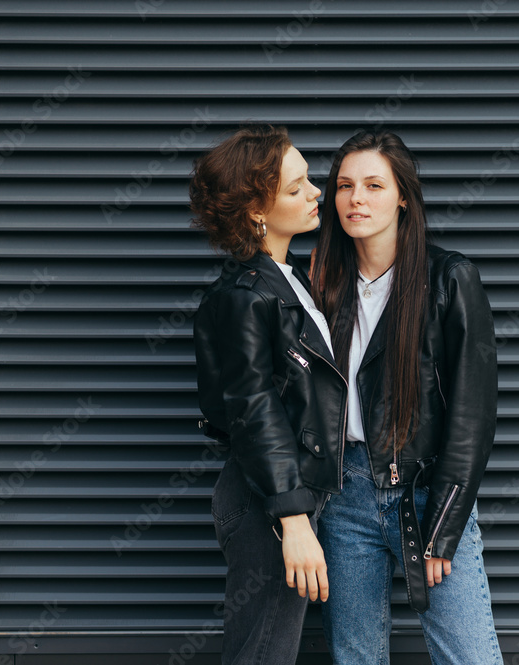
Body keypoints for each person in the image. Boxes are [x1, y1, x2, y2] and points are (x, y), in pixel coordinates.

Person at [313, 131, 503, 664]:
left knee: (468, 655)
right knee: (356, 657)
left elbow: (473, 415)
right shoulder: (323, 285)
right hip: (344, 497)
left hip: (425, 494)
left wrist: (443, 525)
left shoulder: (449, 277)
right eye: (345, 186)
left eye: (374, 185)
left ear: (403, 196)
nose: (357, 199)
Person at [191, 126, 346, 665]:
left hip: (287, 498)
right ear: (257, 209)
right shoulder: (245, 296)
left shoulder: (288, 279)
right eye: (297, 187)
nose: (317, 193)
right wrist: (293, 519)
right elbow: (254, 408)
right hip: (269, 505)